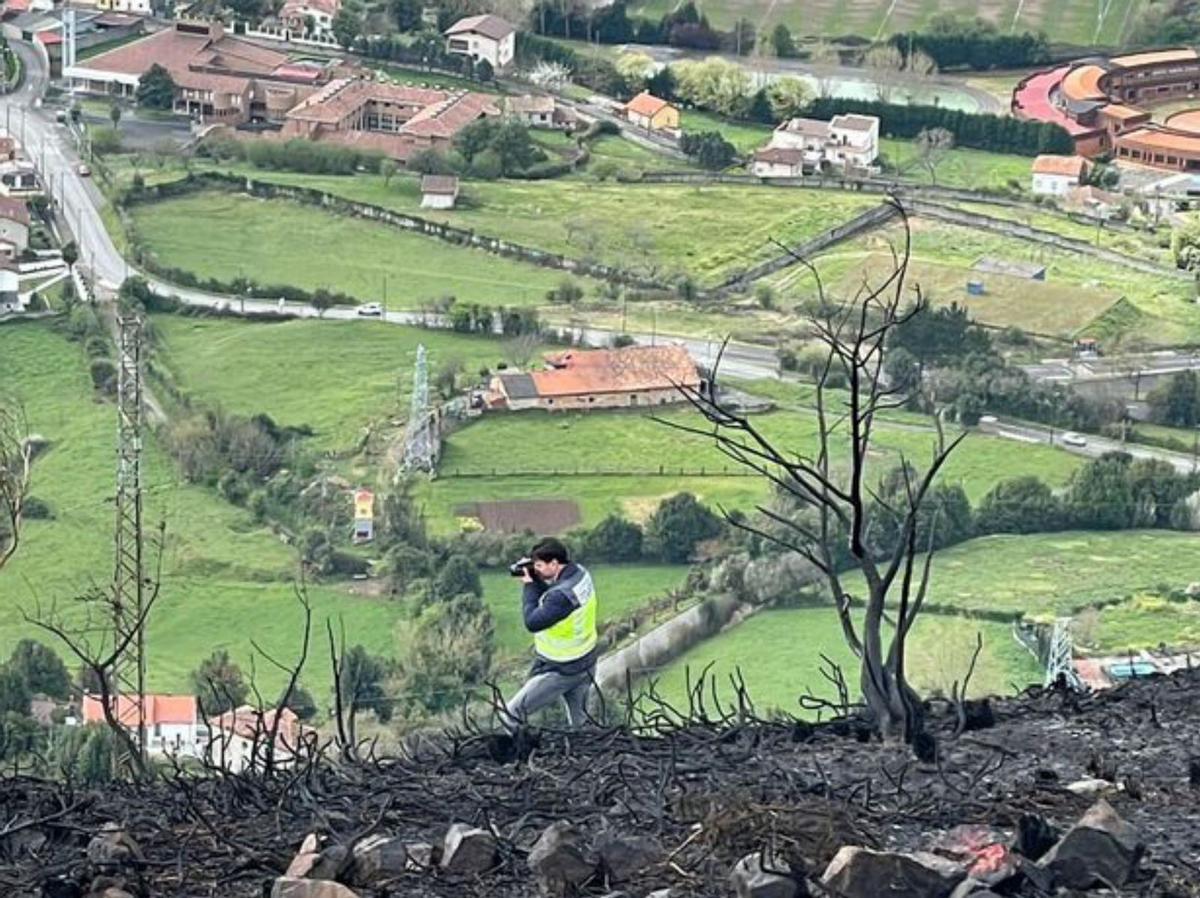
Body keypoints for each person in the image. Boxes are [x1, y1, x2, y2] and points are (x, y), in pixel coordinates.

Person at [503, 537, 598, 730]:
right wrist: (538, 574)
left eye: (539, 565)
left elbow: (532, 621)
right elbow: (557, 596)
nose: (535, 569)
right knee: (580, 726)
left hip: (560, 670)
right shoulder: (580, 574)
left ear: (554, 563)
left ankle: (521, 756)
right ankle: (584, 758)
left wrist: (529, 584)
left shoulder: (560, 597)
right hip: (586, 663)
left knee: (511, 715)